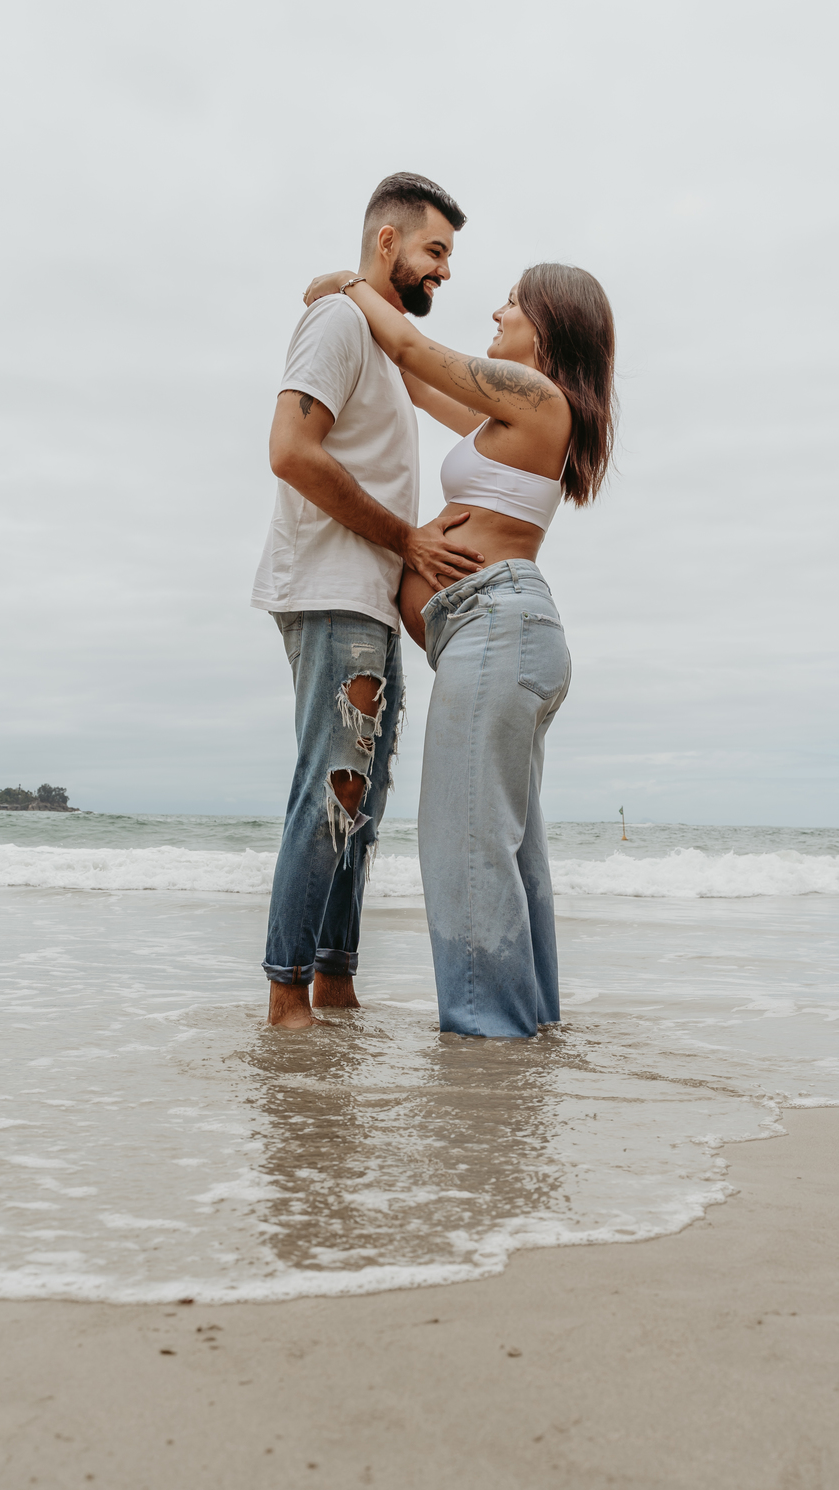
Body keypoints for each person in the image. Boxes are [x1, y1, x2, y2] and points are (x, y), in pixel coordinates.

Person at [301, 260, 617, 1038]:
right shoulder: (510, 415)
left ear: (549, 324)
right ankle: (525, 1035)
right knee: (505, 853)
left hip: (496, 631)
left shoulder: (538, 397)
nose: (498, 313)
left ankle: (486, 1044)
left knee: (465, 852)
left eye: (513, 303)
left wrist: (349, 285)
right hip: (504, 636)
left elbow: (413, 350)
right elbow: (411, 381)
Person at [253, 173, 483, 1030]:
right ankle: (286, 999)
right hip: (333, 587)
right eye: (436, 250)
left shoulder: (381, 341)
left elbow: (472, 410)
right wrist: (407, 539)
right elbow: (290, 450)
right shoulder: (338, 323)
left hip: (373, 598)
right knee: (334, 788)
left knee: (363, 800)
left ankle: (333, 984)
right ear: (388, 242)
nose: (446, 270)